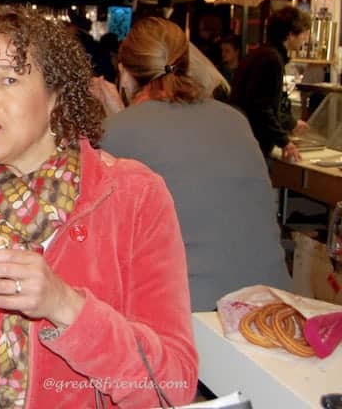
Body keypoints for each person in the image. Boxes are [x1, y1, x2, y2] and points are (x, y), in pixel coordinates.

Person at [0, 7, 198, 408]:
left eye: (8, 79)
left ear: (55, 96)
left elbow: (172, 386)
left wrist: (65, 305)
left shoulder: (132, 194)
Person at [98, 17, 291, 311]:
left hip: (193, 317)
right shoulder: (234, 119)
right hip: (275, 306)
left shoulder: (115, 133)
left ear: (124, 73)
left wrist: (116, 120)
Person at [230, 5, 311, 163]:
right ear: (290, 35)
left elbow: (265, 103)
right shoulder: (271, 59)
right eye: (303, 33)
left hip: (241, 138)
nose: (305, 38)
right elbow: (261, 108)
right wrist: (285, 142)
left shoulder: (261, 53)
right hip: (253, 144)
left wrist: (290, 123)